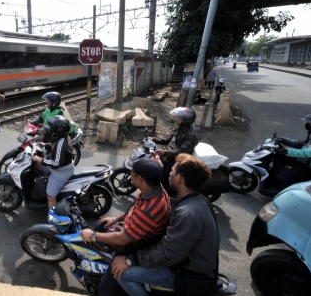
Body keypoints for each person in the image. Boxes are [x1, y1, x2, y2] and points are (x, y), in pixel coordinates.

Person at [109, 154, 218, 296]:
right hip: (186, 262)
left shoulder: (188, 214)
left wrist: (129, 260)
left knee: (119, 272)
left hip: (186, 273)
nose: (169, 173)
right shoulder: (197, 200)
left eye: (172, 170)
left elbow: (167, 254)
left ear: (179, 178)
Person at [79, 158, 171, 296]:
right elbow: (134, 209)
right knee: (100, 225)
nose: (129, 174)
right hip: (135, 233)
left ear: (139, 179)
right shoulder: (154, 190)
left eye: (131, 172)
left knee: (105, 288)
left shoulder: (149, 210)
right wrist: (116, 218)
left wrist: (92, 236)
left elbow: (122, 239)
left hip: (136, 247)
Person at [31, 116, 75, 209]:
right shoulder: (62, 137)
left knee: (50, 197)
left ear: (57, 129)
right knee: (37, 166)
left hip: (60, 171)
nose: (49, 128)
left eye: (51, 127)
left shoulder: (61, 143)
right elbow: (56, 148)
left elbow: (56, 163)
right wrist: (46, 145)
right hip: (60, 166)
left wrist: (41, 159)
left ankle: (53, 220)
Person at [151, 107, 198, 191]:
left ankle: (165, 192)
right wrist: (154, 139)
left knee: (164, 178)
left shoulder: (191, 135)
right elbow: (167, 141)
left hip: (177, 160)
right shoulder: (178, 128)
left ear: (186, 120)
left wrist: (164, 152)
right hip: (169, 155)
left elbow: (181, 153)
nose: (175, 119)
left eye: (178, 118)